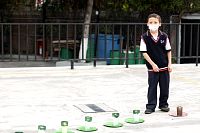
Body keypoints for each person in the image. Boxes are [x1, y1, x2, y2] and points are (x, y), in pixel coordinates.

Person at [140, 13, 172, 114]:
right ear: (147, 24)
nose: (153, 24)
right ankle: (150, 106)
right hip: (152, 68)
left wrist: (170, 64)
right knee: (152, 87)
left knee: (165, 87)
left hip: (164, 66)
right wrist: (153, 64)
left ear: (160, 24)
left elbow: (168, 50)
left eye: (155, 22)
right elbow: (144, 53)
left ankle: (163, 104)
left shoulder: (164, 36)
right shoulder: (144, 37)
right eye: (151, 22)